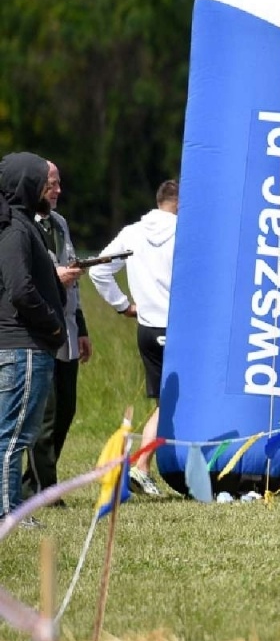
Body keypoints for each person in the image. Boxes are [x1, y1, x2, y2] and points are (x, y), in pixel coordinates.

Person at [88, 178, 180, 496]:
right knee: (174, 403)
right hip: (176, 329)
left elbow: (97, 270)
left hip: (147, 328)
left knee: (166, 402)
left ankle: (142, 465)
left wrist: (124, 306)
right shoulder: (184, 231)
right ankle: (141, 466)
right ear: (180, 203)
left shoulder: (132, 232)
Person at [0, 152, 67, 527]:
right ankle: (9, 512)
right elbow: (20, 289)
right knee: (13, 436)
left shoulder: (23, 225)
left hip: (28, 346)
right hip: (23, 346)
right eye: (45, 182)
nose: (53, 190)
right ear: (28, 186)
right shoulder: (15, 230)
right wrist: (52, 326)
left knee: (14, 434)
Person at [25, 162, 91, 503]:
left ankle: (32, 483)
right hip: (38, 331)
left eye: (59, 183)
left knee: (66, 410)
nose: (58, 190)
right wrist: (56, 277)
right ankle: (45, 488)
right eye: (52, 184)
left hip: (66, 328)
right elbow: (22, 279)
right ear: (36, 185)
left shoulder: (61, 223)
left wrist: (81, 328)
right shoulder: (21, 225)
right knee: (45, 415)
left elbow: (72, 277)